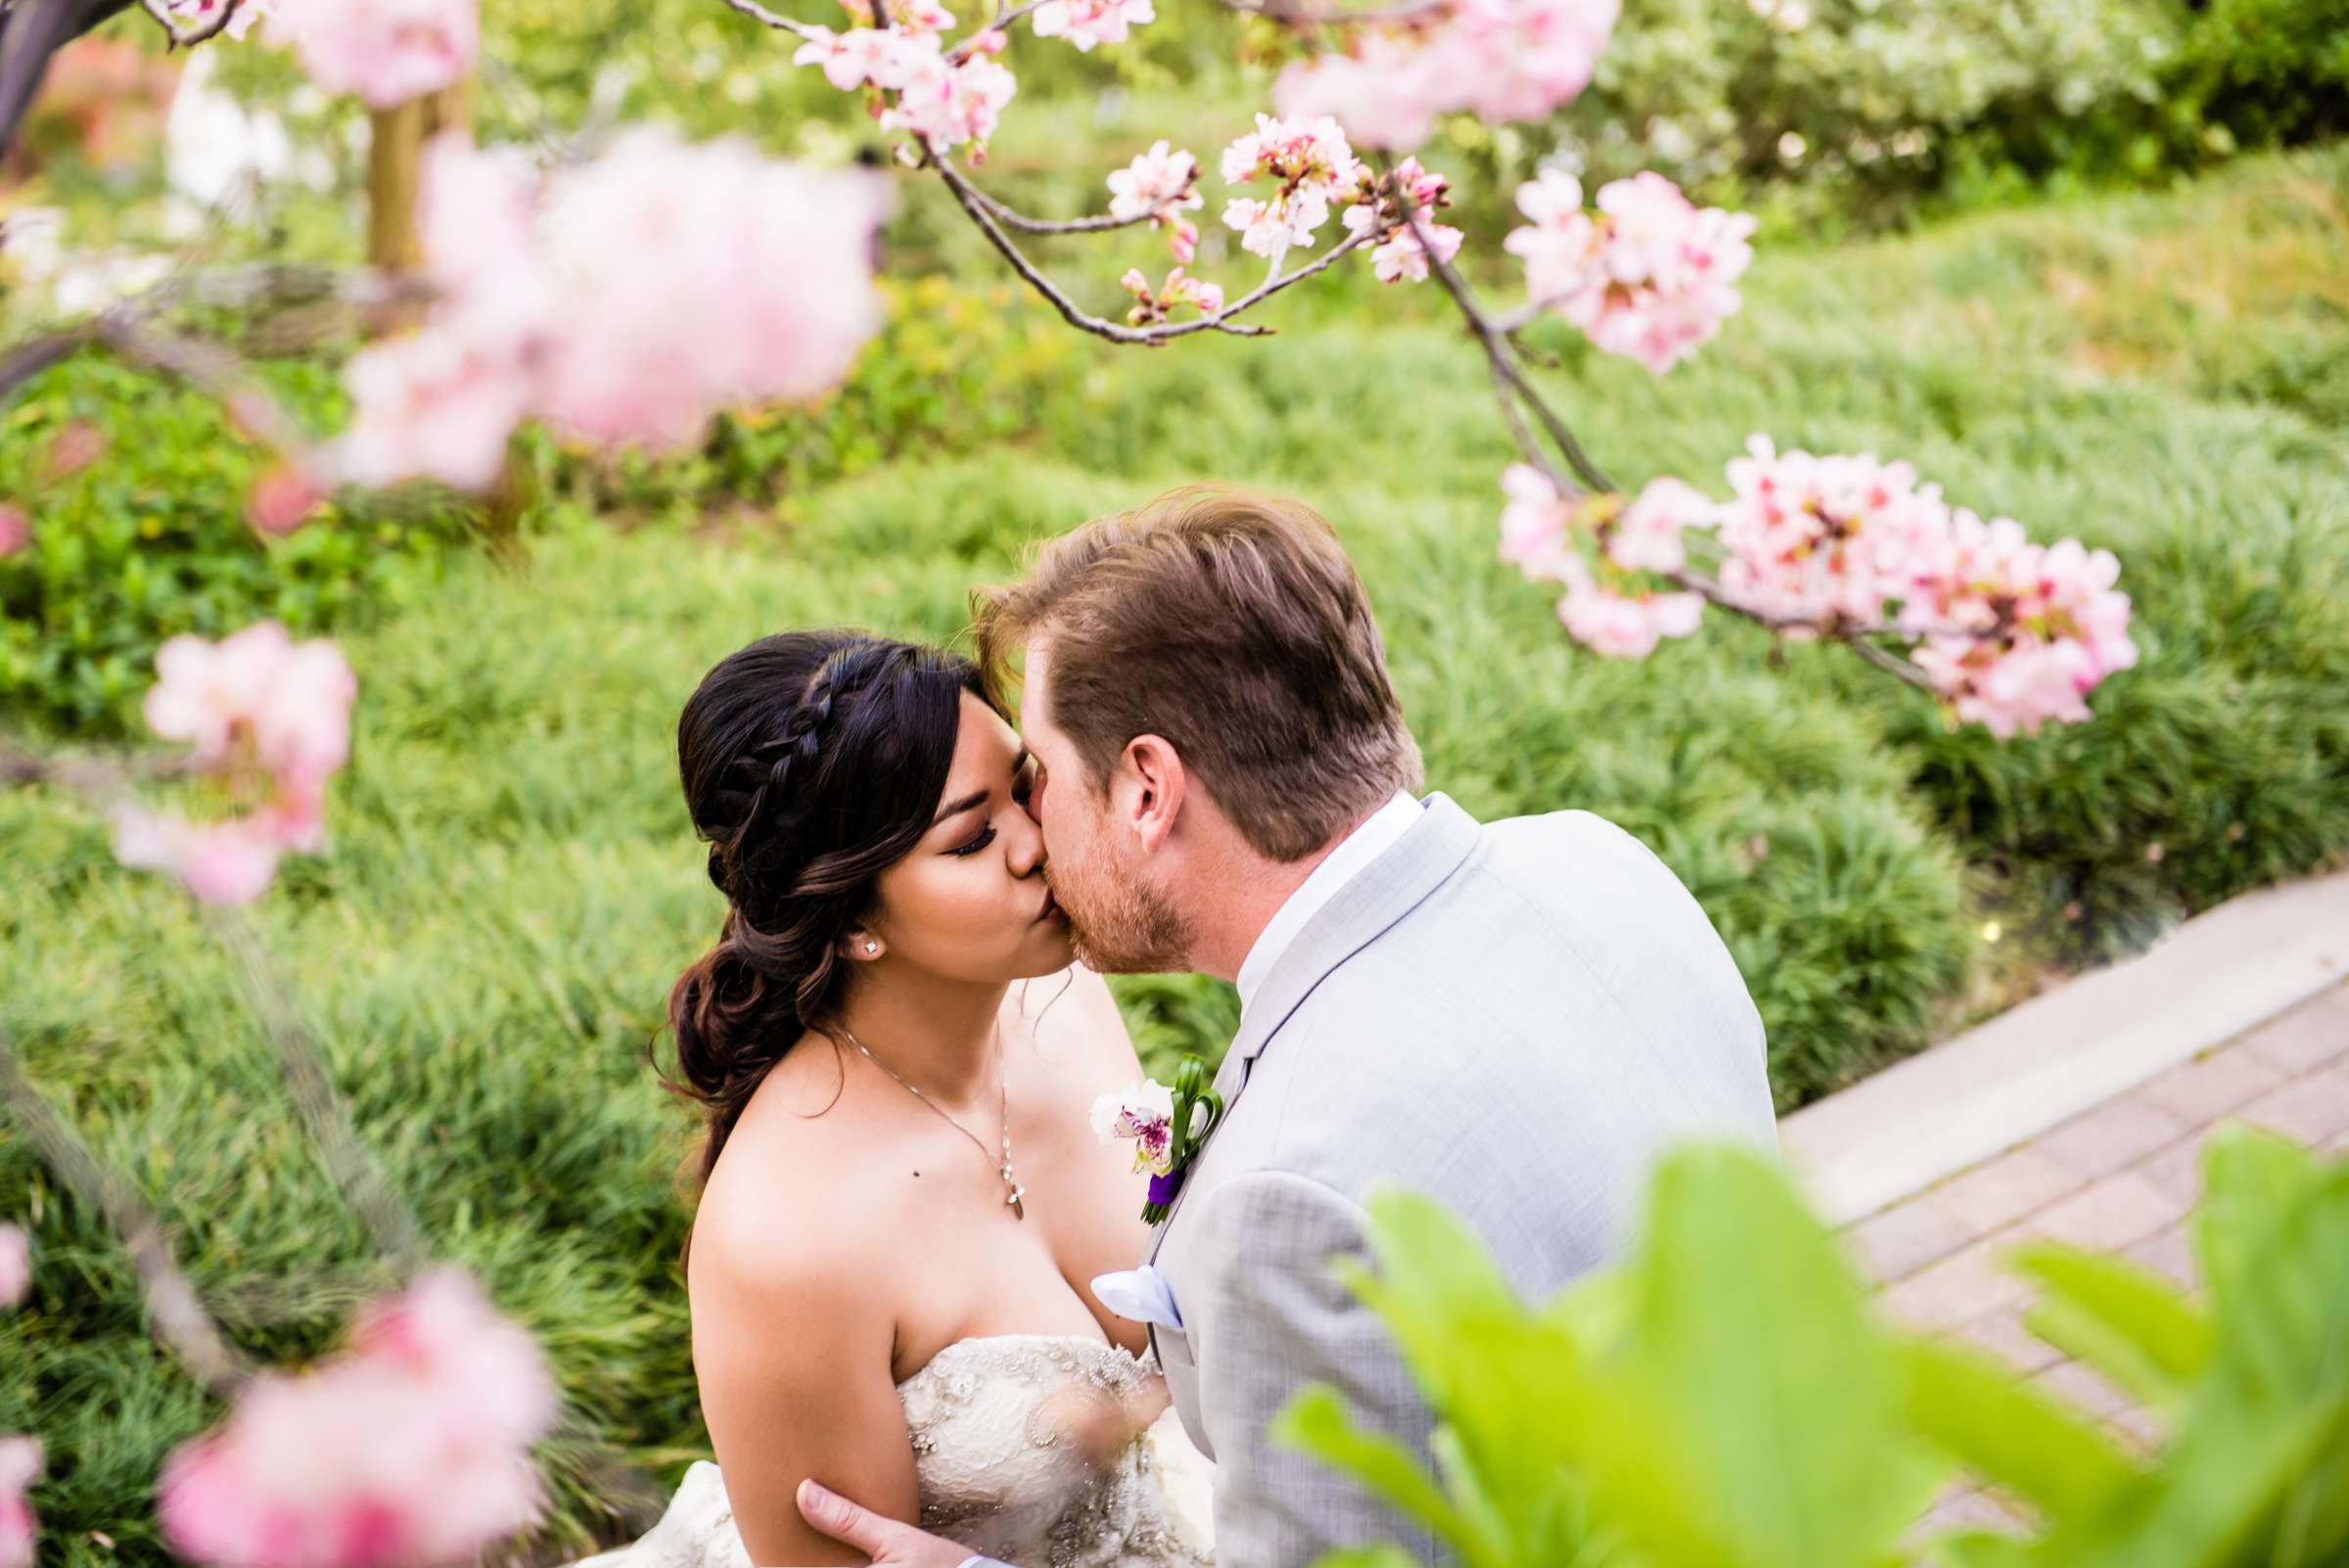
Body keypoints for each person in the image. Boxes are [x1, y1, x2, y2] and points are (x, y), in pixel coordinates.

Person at [790, 486, 1777, 1568]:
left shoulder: (1289, 1203)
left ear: (1146, 789)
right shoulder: (1600, 864)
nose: (1032, 828)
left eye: (1039, 777)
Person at [585, 629, 1215, 1568]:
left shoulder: (1061, 999)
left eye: (1026, 784)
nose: (1040, 844)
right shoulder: (786, 1241)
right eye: (972, 838)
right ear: (849, 922)